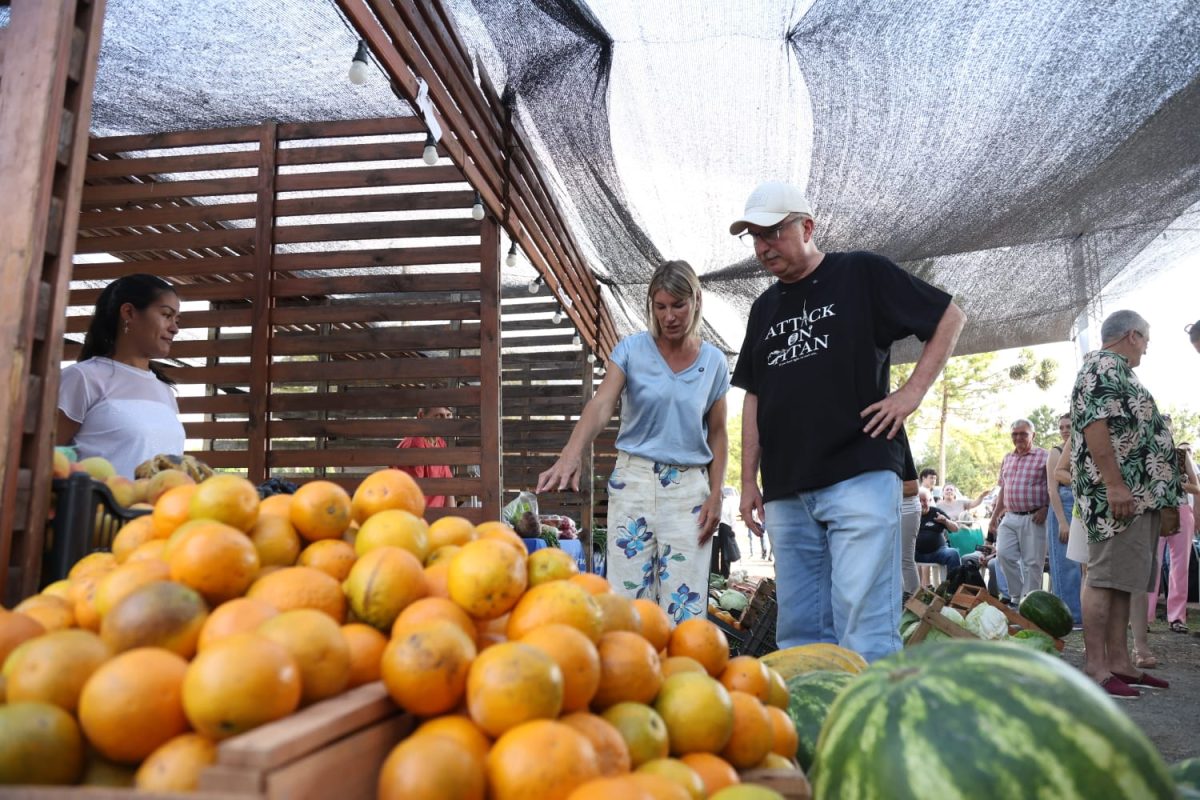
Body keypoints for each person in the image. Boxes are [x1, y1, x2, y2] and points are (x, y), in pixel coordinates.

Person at [730, 181, 965, 662]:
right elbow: (754, 395)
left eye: (773, 232)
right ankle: (813, 708)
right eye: (755, 236)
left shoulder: (860, 271)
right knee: (799, 630)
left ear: (807, 227)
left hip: (859, 470)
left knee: (864, 620)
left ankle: (872, 708)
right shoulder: (763, 308)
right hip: (786, 485)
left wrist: (911, 394)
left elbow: (949, 317)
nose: (763, 246)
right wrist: (747, 478)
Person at [537, 260, 729, 623]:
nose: (669, 316)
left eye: (678, 305)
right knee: (626, 600)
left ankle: (682, 660)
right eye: (660, 306)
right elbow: (601, 404)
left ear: (696, 301)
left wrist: (717, 492)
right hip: (634, 481)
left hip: (689, 489)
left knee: (685, 605)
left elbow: (718, 431)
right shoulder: (630, 350)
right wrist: (570, 454)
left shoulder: (714, 362)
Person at [1071, 309, 1180, 698]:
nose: (1146, 350)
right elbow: (1094, 424)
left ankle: (1119, 662)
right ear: (1132, 335)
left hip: (1138, 498)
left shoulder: (1118, 371)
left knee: (1123, 581)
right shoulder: (1101, 366)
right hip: (1116, 497)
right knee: (1104, 578)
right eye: (1145, 341)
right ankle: (1096, 667)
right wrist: (1115, 485)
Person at [57, 274, 184, 479]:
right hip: (95, 501)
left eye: (176, 320)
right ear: (129, 312)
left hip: (161, 501)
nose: (175, 328)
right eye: (166, 315)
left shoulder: (164, 391)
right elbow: (46, 459)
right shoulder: (82, 378)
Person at [988, 419, 1049, 604]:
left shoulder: (1045, 456)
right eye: (1015, 434)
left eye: (1023, 433)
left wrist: (1046, 508)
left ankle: (1029, 603)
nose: (1018, 437)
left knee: (1033, 563)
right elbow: (1003, 490)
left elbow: (1054, 487)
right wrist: (994, 517)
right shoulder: (1008, 458)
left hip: (1034, 517)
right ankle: (1016, 596)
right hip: (1010, 516)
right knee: (1003, 554)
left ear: (1033, 435)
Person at [1146, 433, 1198, 634]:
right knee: (1151, 565)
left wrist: (1178, 484)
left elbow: (1196, 487)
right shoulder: (1146, 455)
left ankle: (1177, 617)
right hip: (1155, 512)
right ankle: (1144, 616)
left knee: (1180, 566)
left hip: (1181, 511)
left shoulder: (1182, 456)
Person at [1046, 413, 1083, 626]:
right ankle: (1071, 617)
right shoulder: (1056, 452)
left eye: (1068, 426)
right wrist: (1062, 521)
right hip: (1064, 506)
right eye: (1061, 427)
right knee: (1066, 564)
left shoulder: (1083, 449)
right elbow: (1052, 490)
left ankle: (1084, 614)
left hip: (1083, 505)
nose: (1064, 430)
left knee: (1082, 564)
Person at [395, 406, 456, 509]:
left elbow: (448, 489)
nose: (445, 421)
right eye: (438, 416)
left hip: (438, 515)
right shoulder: (415, 445)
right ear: (421, 416)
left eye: (448, 415)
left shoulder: (440, 443)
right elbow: (411, 497)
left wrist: (452, 516)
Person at [915, 488, 962, 581]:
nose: (921, 504)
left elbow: (955, 529)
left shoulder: (936, 512)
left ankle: (953, 586)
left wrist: (945, 521)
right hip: (916, 553)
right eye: (919, 500)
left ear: (930, 500)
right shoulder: (911, 514)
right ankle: (909, 589)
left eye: (924, 500)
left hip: (938, 552)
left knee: (953, 554)